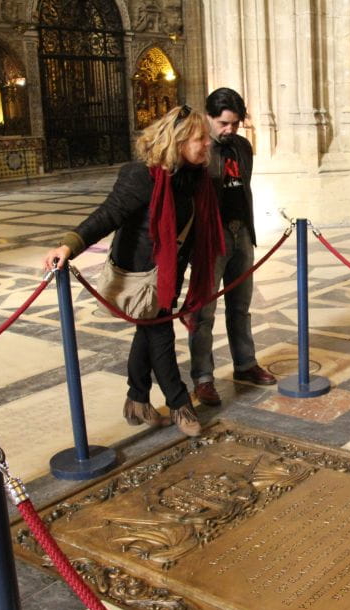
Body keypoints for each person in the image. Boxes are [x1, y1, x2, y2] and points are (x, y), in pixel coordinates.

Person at [42, 105, 224, 437]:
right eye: (200, 138)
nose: (207, 144)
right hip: (140, 273)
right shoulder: (142, 175)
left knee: (149, 330)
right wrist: (68, 245)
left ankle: (137, 400)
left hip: (168, 272)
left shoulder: (194, 176)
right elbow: (108, 214)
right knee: (159, 333)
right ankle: (181, 404)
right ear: (179, 140)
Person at [189, 87, 276, 406]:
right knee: (204, 313)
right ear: (208, 117)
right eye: (224, 123)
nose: (230, 130)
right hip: (212, 239)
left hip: (242, 233)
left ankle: (245, 364)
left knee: (240, 306)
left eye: (235, 124)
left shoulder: (242, 146)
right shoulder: (198, 148)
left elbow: (244, 187)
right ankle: (203, 377)